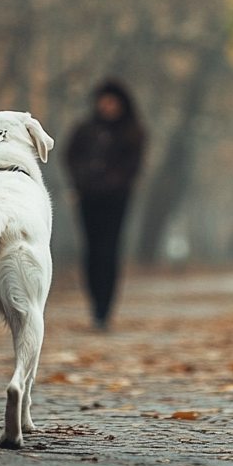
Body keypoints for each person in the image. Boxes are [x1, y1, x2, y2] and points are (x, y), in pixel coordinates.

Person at [64, 80, 146, 329]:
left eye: (113, 102)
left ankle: (104, 309)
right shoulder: (84, 129)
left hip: (116, 200)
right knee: (90, 250)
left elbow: (132, 167)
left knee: (109, 251)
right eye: (104, 101)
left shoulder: (133, 132)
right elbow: (69, 156)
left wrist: (111, 184)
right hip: (87, 198)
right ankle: (94, 303)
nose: (108, 106)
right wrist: (81, 183)